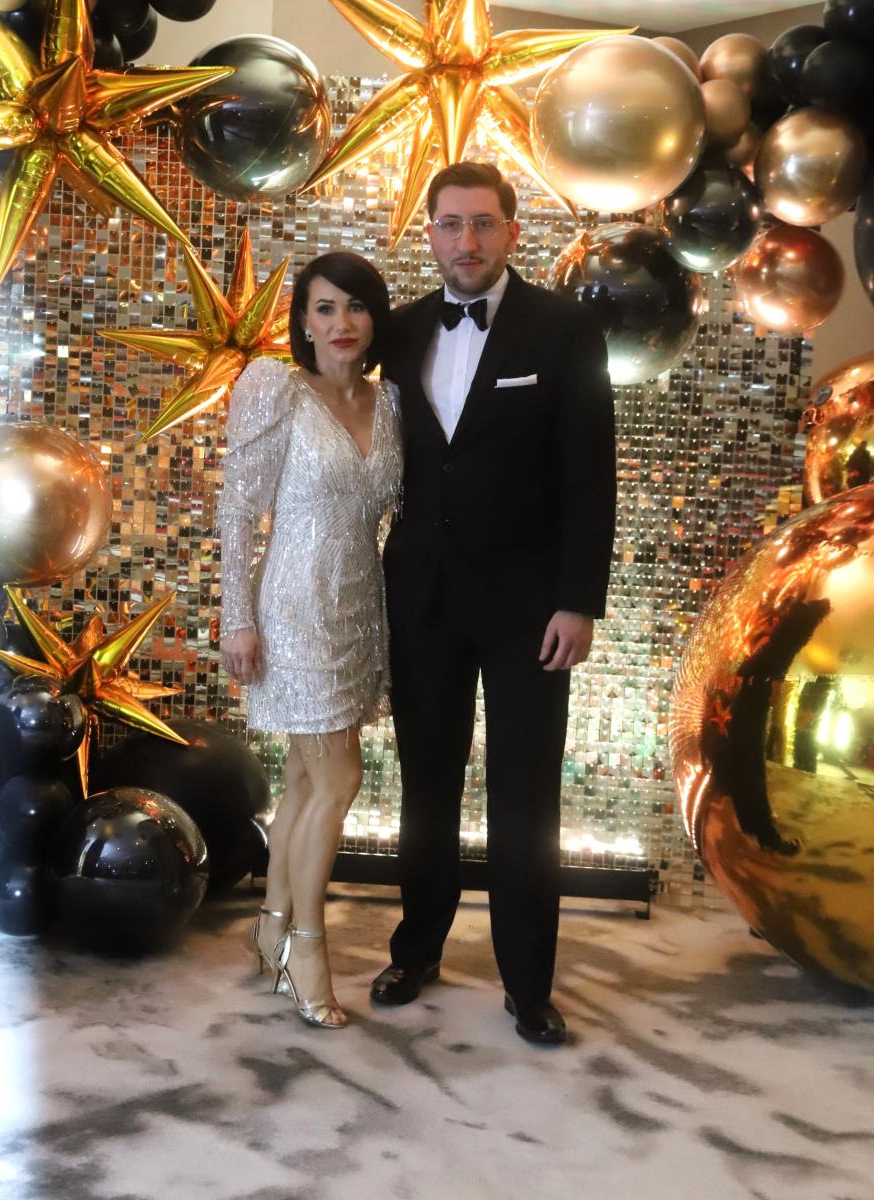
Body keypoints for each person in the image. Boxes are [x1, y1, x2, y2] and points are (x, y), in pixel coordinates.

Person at [372, 162, 616, 1045]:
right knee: (425, 787)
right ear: (430, 234)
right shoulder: (399, 331)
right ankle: (417, 949)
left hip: (530, 610)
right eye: (450, 224)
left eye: (483, 223)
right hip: (423, 599)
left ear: (512, 231)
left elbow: (591, 474)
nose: (466, 241)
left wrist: (579, 600)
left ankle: (528, 983)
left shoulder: (564, 330)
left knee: (525, 797)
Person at [218, 251, 401, 1029]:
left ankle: (270, 926)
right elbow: (237, 511)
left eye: (356, 306)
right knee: (338, 781)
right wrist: (237, 617)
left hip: (359, 607)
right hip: (293, 606)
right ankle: (306, 947)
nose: (342, 323)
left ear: (375, 317)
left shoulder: (391, 400)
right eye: (325, 308)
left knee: (303, 780)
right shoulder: (277, 389)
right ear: (303, 321)